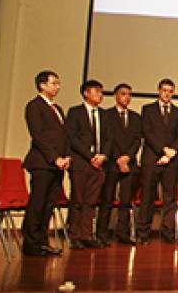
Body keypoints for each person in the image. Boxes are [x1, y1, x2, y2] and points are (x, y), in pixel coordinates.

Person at [22, 70, 69, 256]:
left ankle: (42, 240)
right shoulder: (34, 106)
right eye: (53, 83)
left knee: (49, 203)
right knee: (38, 203)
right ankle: (31, 243)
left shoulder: (57, 109)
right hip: (42, 163)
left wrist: (66, 157)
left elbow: (64, 136)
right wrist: (54, 157)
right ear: (42, 85)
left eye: (58, 83)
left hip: (58, 164)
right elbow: (39, 136)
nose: (57, 87)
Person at [64, 79, 112, 249]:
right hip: (81, 163)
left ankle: (86, 234)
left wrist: (103, 156)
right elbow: (73, 138)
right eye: (96, 91)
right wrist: (91, 156)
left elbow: (108, 139)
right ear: (86, 93)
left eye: (101, 91)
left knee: (91, 202)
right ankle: (74, 235)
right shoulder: (75, 112)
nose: (100, 95)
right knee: (78, 200)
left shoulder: (105, 115)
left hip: (99, 165)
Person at [138, 78, 178, 244]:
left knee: (170, 198)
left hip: (171, 161)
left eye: (170, 91)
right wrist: (163, 150)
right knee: (148, 197)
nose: (167, 94)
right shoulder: (148, 109)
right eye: (164, 90)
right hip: (152, 159)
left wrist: (171, 152)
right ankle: (143, 233)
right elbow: (147, 133)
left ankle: (168, 233)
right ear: (159, 91)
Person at [97, 83, 142, 245]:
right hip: (111, 163)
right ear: (116, 96)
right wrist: (118, 158)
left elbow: (138, 140)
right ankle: (102, 233)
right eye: (123, 94)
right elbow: (107, 139)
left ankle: (122, 233)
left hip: (129, 164)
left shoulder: (136, 117)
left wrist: (127, 157)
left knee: (125, 200)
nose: (127, 97)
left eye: (129, 94)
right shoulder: (106, 115)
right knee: (107, 199)